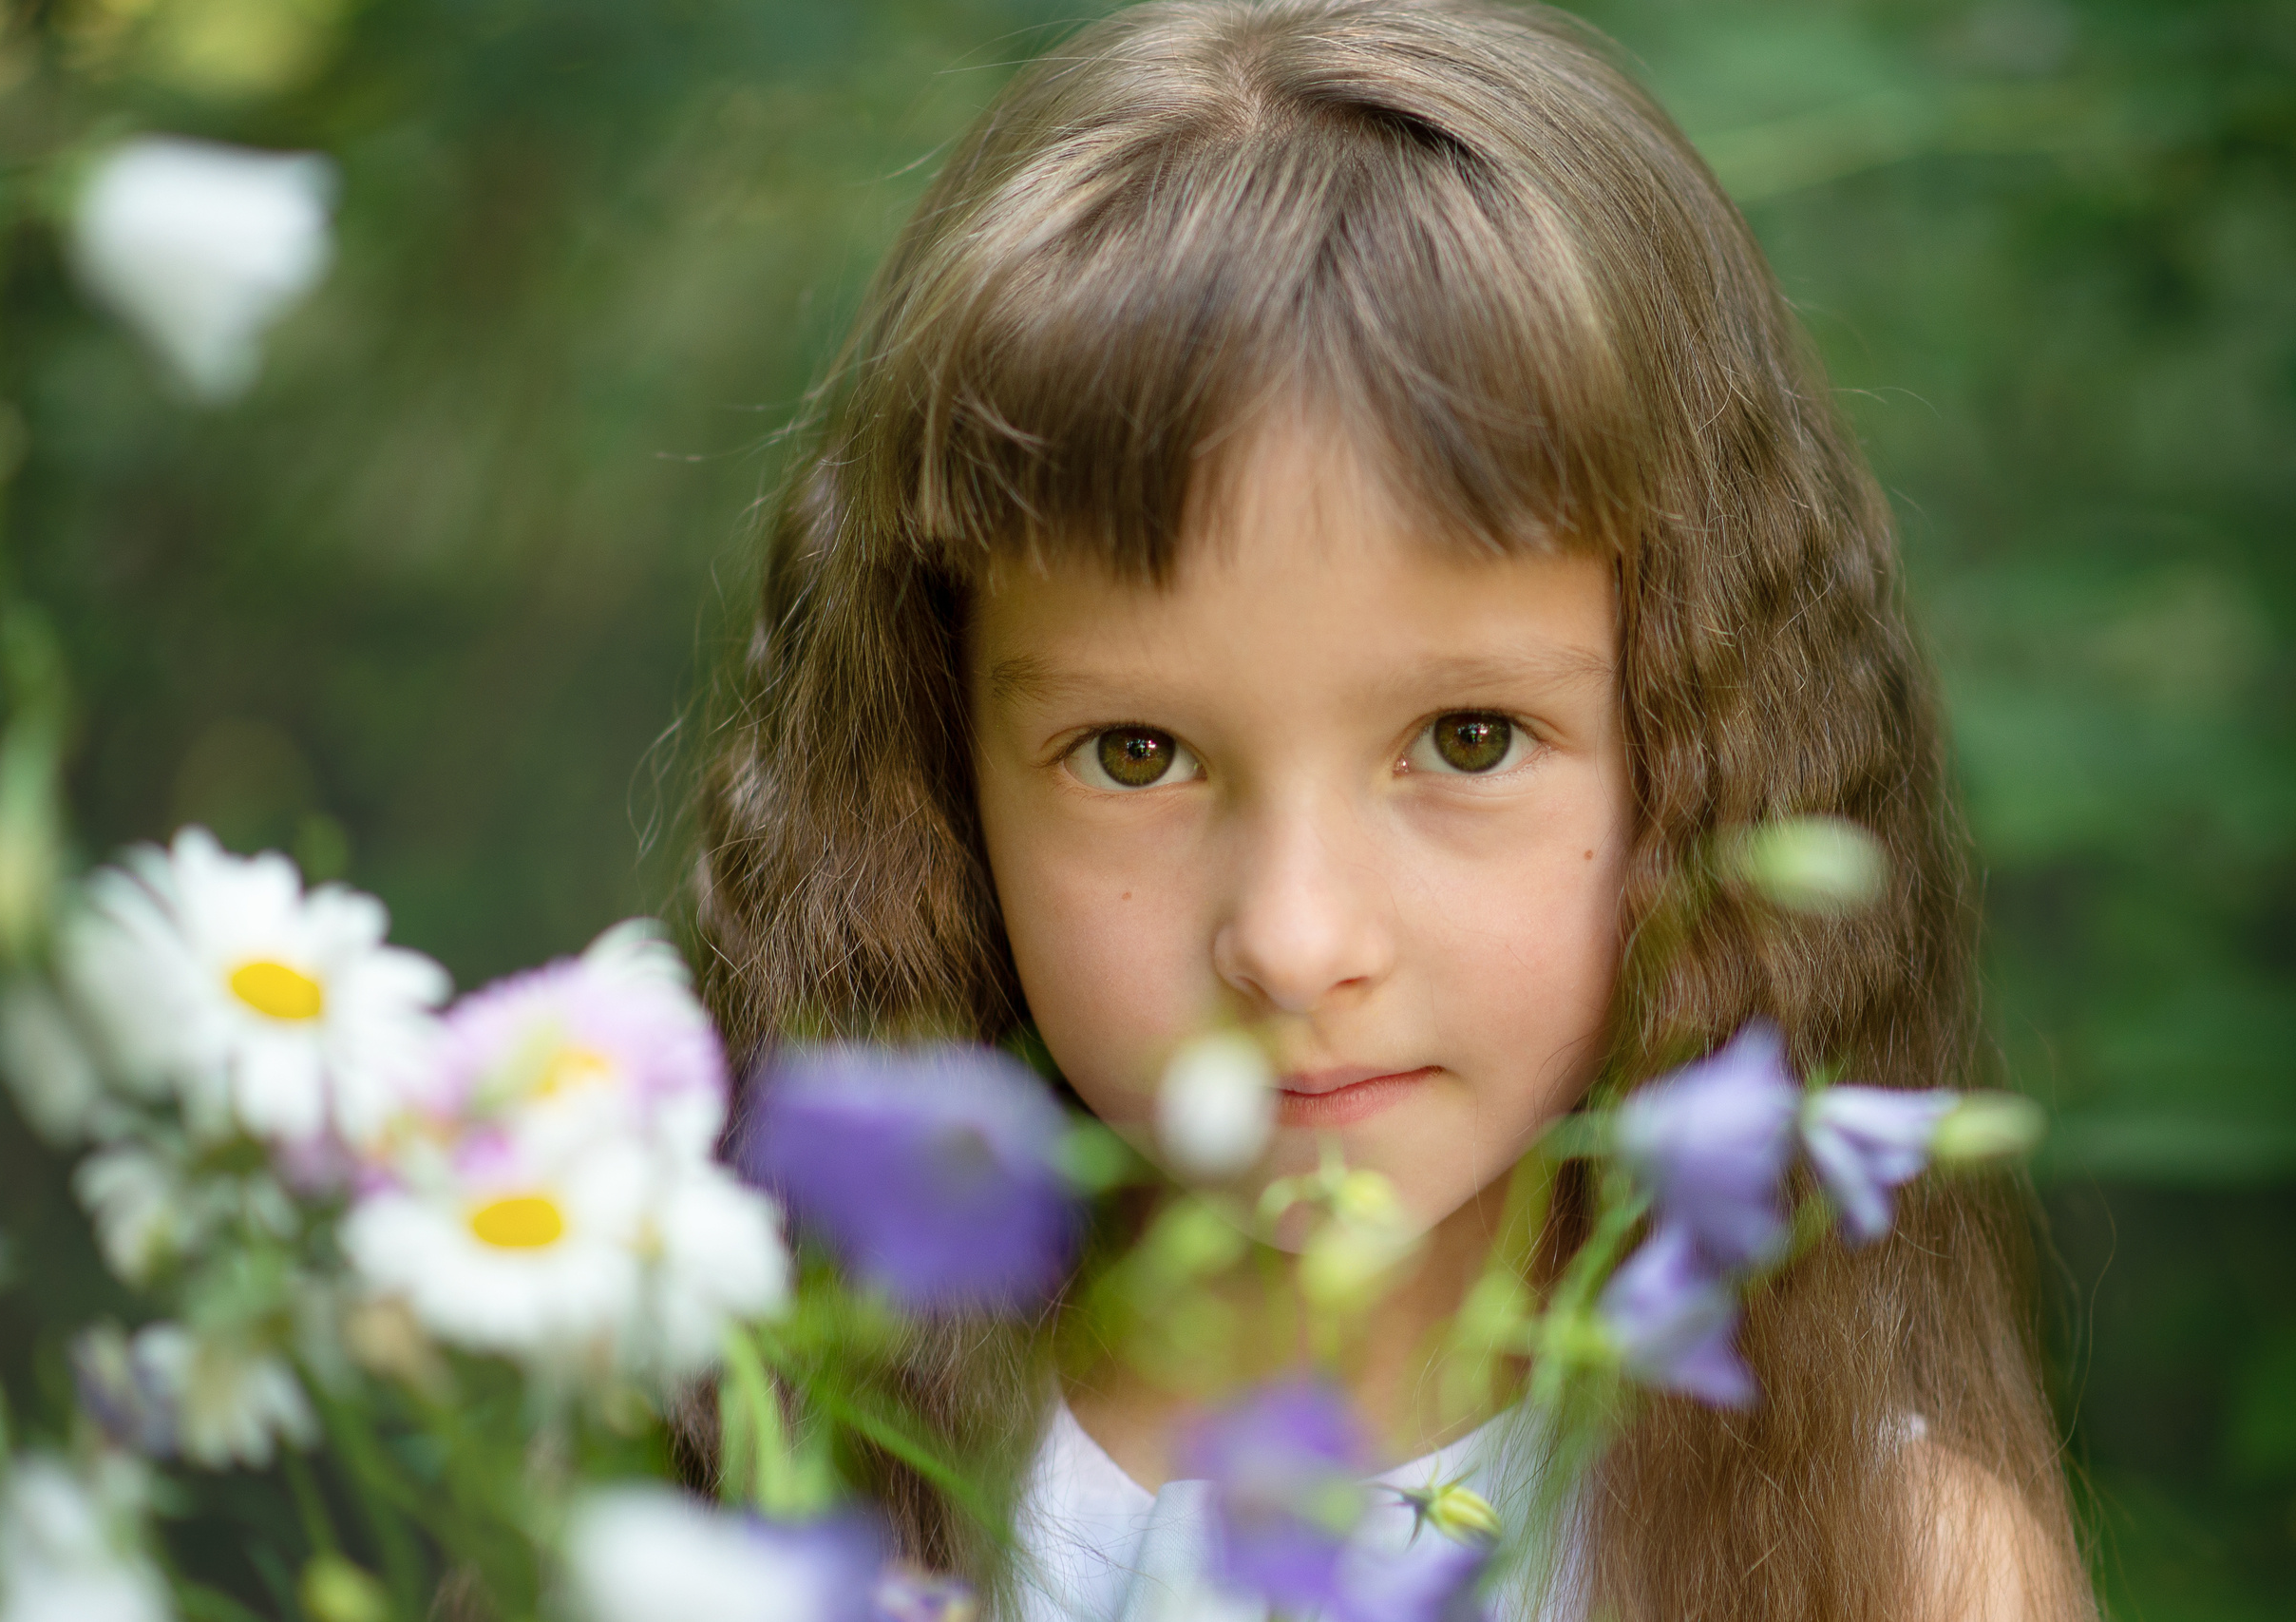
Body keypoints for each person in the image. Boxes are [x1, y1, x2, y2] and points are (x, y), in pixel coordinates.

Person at [691, 2, 2093, 1616]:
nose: (1295, 943)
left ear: (1700, 752)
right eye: (1135, 753)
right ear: (941, 783)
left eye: (1472, 736)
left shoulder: (1898, 1572)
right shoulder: (779, 1477)